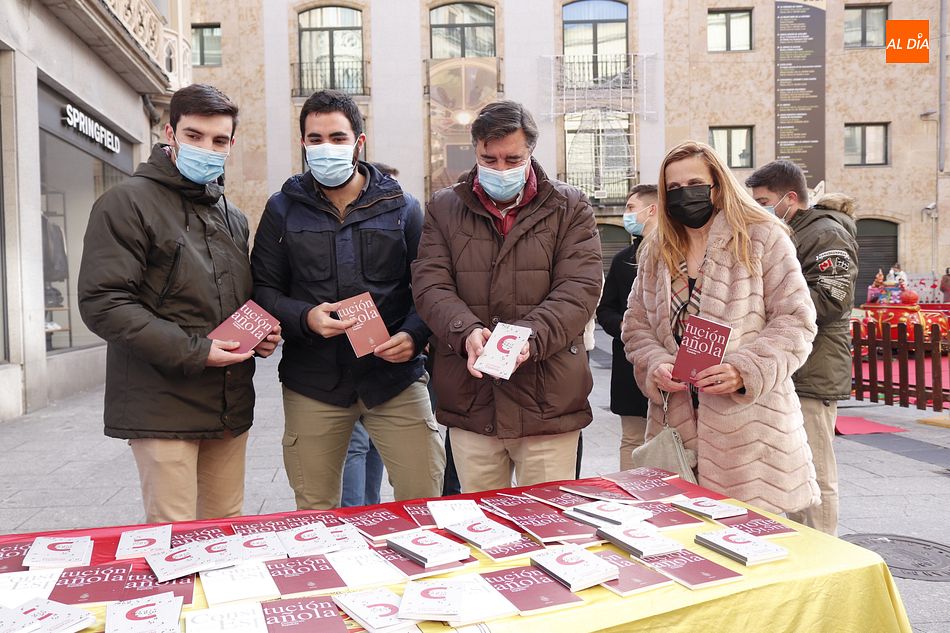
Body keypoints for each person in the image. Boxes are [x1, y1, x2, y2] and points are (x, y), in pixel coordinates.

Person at [77, 84, 281, 523]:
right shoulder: (126, 202)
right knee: (175, 537)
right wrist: (197, 350)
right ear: (170, 133)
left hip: (228, 404)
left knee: (225, 526)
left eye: (219, 140)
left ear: (231, 143)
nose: (207, 148)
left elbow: (232, 297)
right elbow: (104, 302)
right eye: (194, 136)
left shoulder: (231, 214)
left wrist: (259, 333)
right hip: (160, 403)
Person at [251, 90, 445, 510]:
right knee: (315, 507)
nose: (326, 148)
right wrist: (304, 317)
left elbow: (430, 287)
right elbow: (263, 289)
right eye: (315, 138)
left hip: (394, 379)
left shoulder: (403, 208)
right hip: (314, 381)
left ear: (359, 142)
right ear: (302, 143)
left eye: (337, 138)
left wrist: (413, 336)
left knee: (424, 499)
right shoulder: (282, 210)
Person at [412, 100, 602, 492]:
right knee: (481, 528)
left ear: (531, 151)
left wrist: (526, 338)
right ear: (475, 151)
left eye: (512, 159)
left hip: (547, 398)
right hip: (472, 396)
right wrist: (465, 330)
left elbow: (579, 289)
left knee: (549, 525)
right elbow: (430, 283)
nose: (501, 169)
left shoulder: (570, 206)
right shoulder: (445, 207)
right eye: (490, 159)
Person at [621, 141, 819, 514]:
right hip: (677, 424)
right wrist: (655, 363)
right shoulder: (656, 249)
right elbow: (636, 325)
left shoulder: (761, 235)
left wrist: (745, 370)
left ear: (718, 184)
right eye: (674, 189)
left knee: (753, 549)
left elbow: (796, 320)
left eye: (695, 183)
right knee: (684, 545)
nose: (685, 195)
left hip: (750, 431)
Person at [747, 161, 859, 535]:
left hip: (814, 369)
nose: (758, 207)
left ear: (790, 198)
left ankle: (824, 552)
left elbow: (832, 298)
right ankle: (800, 544)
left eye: (763, 200)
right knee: (790, 466)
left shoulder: (825, 233)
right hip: (791, 368)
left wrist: (762, 303)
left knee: (816, 472)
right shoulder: (786, 231)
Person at [597, 184, 658, 470]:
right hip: (630, 365)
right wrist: (623, 326)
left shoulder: (683, 256)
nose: (626, 215)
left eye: (631, 208)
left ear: (653, 209)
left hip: (675, 369)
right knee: (633, 439)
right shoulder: (623, 260)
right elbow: (605, 309)